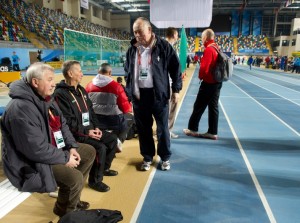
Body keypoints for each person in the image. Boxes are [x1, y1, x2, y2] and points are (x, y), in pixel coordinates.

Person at [1, 62, 96, 217]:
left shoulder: (45, 98)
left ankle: (69, 199)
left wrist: (71, 146)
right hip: (30, 161)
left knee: (88, 151)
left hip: (51, 149)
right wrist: (66, 158)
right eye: (50, 80)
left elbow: (62, 123)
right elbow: (35, 150)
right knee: (75, 178)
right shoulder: (20, 109)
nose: (54, 84)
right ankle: (67, 215)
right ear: (35, 82)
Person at [124, 17, 182, 171]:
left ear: (149, 30)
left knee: (163, 128)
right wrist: (129, 92)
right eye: (135, 32)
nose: (137, 35)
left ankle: (165, 158)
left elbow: (176, 68)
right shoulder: (132, 49)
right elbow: (128, 72)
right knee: (143, 130)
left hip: (159, 95)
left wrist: (176, 89)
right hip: (139, 97)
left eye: (140, 32)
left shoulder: (163, 46)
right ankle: (147, 157)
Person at [53, 60, 118, 193]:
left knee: (112, 139)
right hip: (76, 134)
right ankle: (95, 181)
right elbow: (67, 122)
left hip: (90, 129)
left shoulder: (81, 90)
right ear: (70, 73)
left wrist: (97, 128)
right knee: (100, 148)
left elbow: (91, 112)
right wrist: (87, 132)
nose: (82, 74)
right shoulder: (60, 94)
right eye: (80, 71)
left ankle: (103, 169)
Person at [183, 29, 222, 140]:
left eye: (202, 37)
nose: (201, 39)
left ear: (205, 38)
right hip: (216, 83)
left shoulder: (209, 49)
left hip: (209, 83)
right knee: (213, 107)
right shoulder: (216, 47)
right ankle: (212, 132)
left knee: (198, 106)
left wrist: (201, 77)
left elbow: (204, 68)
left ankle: (192, 129)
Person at [85, 63, 133, 146]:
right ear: (110, 72)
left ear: (98, 71)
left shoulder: (89, 86)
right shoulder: (116, 86)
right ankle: (117, 142)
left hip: (96, 118)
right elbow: (124, 106)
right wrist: (129, 110)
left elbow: (86, 103)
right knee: (126, 125)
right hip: (114, 119)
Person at [165, 27, 180, 139]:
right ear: (174, 35)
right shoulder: (169, 48)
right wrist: (176, 89)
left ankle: (165, 131)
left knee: (165, 110)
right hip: (168, 85)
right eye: (177, 34)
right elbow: (175, 70)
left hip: (162, 84)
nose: (178, 36)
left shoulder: (161, 46)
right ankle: (166, 131)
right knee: (170, 109)